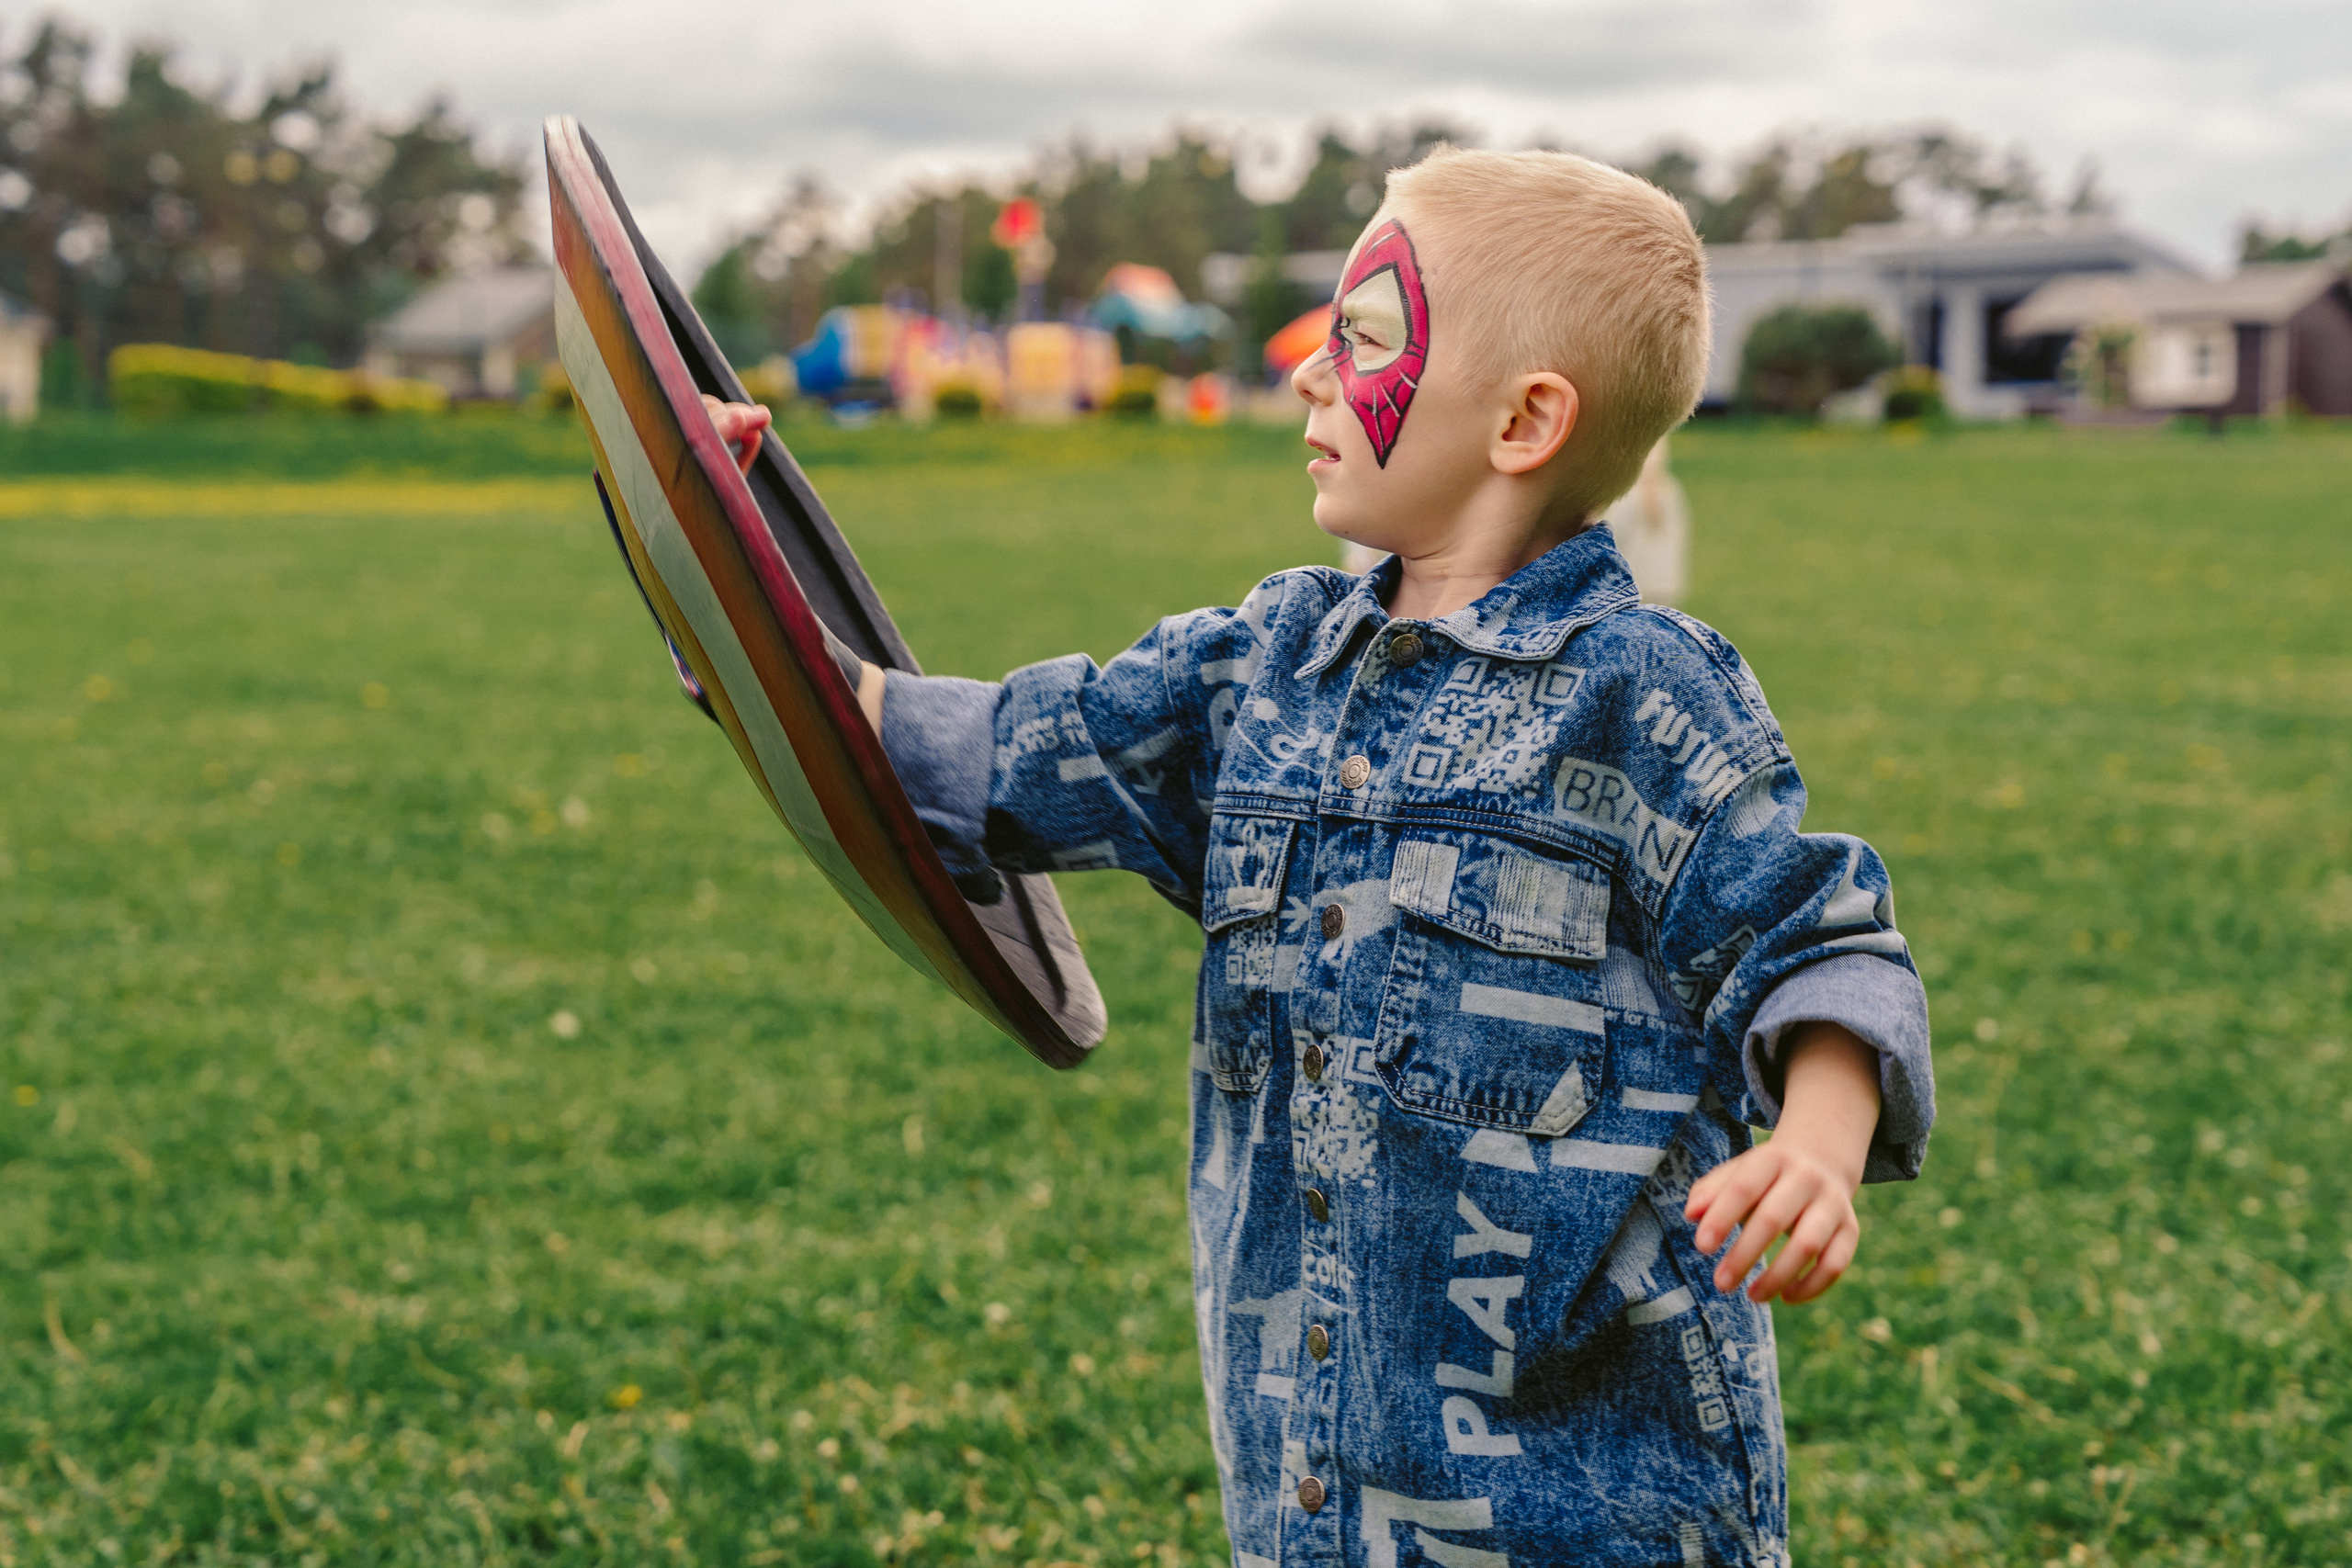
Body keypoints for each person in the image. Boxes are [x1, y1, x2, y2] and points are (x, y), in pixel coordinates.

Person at [706, 146, 1930, 1567]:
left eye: (1364, 340)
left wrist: (1818, 1144)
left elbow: (1818, 939)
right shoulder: (1258, 675)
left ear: (1525, 420)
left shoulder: (1644, 697)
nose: (1309, 375)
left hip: (1598, 1516)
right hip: (1316, 1503)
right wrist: (732, 564)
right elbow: (976, 759)